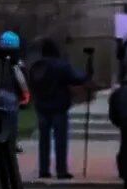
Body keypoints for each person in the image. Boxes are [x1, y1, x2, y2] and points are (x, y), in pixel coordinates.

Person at [27, 38, 89, 179]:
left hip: (41, 107)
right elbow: (77, 78)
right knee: (60, 140)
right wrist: (88, 70)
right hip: (59, 107)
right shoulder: (61, 65)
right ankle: (61, 170)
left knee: (44, 140)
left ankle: (44, 169)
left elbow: (31, 84)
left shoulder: (36, 66)